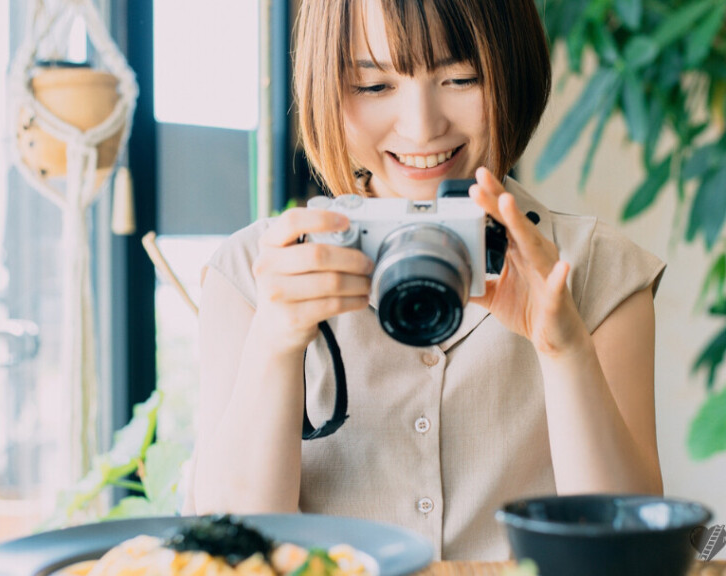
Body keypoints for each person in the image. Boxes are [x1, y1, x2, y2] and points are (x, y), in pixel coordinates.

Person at [189, 0, 666, 561]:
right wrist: (274, 343)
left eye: (461, 77)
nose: (421, 127)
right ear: (325, 87)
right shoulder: (255, 272)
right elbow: (232, 551)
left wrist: (564, 351)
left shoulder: (594, 269)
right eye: (373, 85)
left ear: (513, 73)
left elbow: (626, 551)